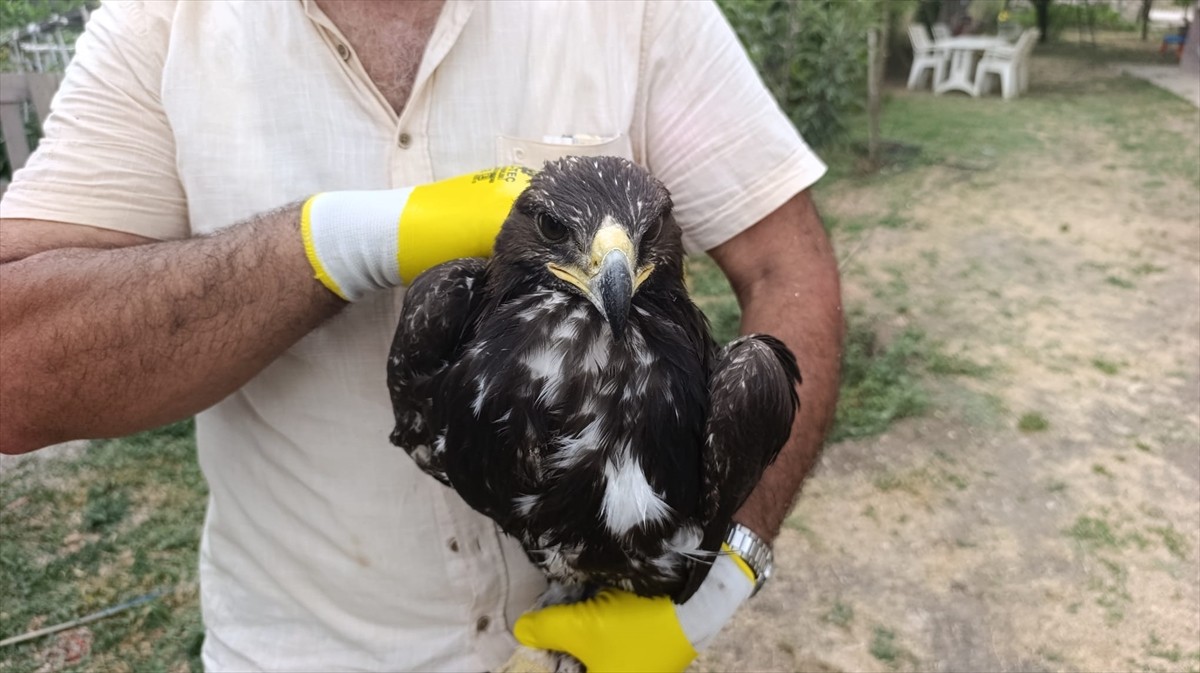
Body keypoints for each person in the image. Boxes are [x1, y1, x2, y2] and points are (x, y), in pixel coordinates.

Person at [0, 1, 844, 671]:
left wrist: (722, 574)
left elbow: (787, 268)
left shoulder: (633, 11)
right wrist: (345, 241)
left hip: (594, 628)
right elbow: (15, 364)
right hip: (305, 651)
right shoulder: (158, 27)